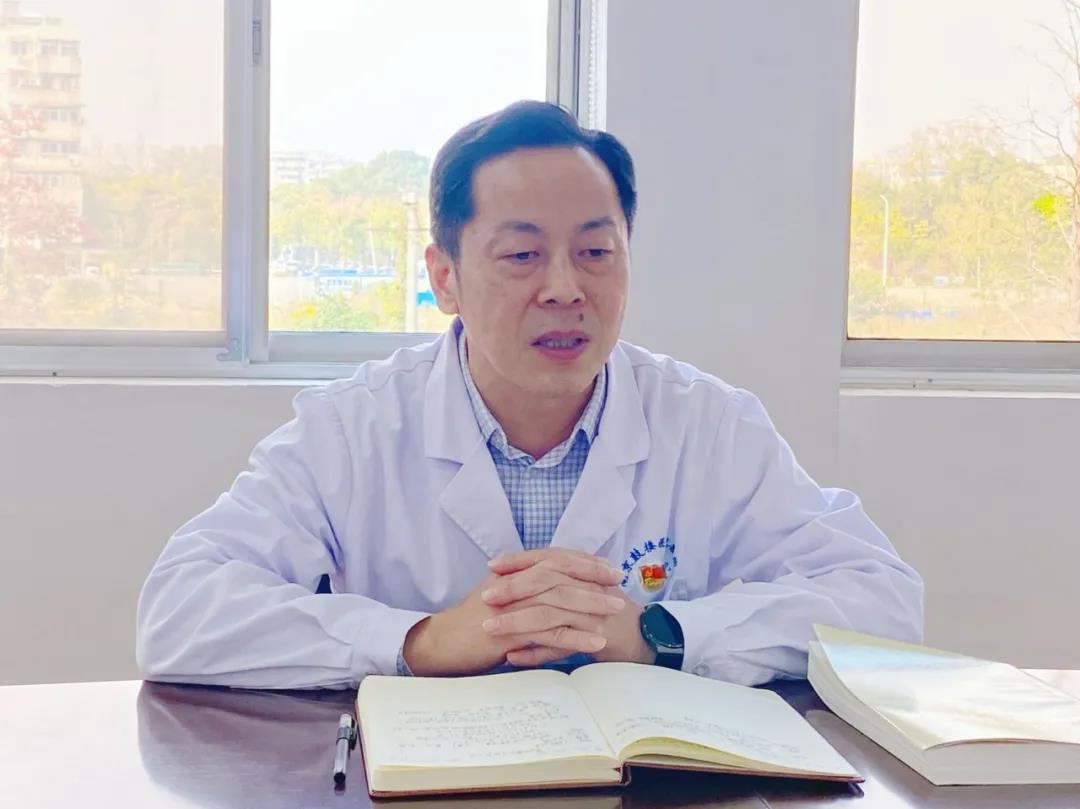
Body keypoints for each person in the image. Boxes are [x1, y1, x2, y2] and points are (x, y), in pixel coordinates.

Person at [136, 101, 922, 689]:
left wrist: (661, 633)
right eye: (521, 255)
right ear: (444, 276)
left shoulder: (708, 423)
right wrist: (419, 640)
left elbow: (882, 599)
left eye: (596, 251)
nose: (565, 288)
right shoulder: (352, 426)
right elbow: (178, 608)